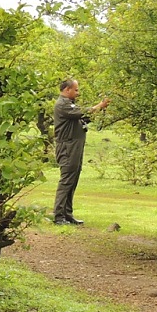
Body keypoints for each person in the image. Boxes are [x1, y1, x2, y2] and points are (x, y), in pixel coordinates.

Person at [52, 78, 108, 225]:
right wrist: (99, 105)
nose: (78, 93)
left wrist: (99, 109)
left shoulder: (70, 105)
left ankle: (67, 214)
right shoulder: (62, 105)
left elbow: (83, 117)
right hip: (67, 147)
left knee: (73, 180)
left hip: (75, 147)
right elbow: (83, 112)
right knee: (66, 180)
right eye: (75, 90)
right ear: (67, 90)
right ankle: (59, 216)